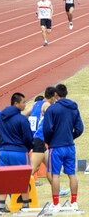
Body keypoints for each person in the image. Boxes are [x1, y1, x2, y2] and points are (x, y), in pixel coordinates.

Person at [43, 84, 84, 212]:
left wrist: (51, 141)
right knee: (72, 174)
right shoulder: (74, 108)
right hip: (70, 146)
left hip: (56, 147)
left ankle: (56, 204)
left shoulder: (52, 109)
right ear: (66, 93)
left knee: (55, 175)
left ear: (56, 95)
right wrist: (70, 137)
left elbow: (47, 129)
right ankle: (74, 202)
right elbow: (80, 129)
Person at [0, 92, 34, 212]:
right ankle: (25, 205)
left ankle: (1, 206)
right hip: (20, 152)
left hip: (4, 152)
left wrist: (2, 146)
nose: (25, 104)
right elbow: (28, 137)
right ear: (16, 103)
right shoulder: (22, 119)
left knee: (4, 179)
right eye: (23, 102)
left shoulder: (0, 117)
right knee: (23, 178)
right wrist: (28, 147)